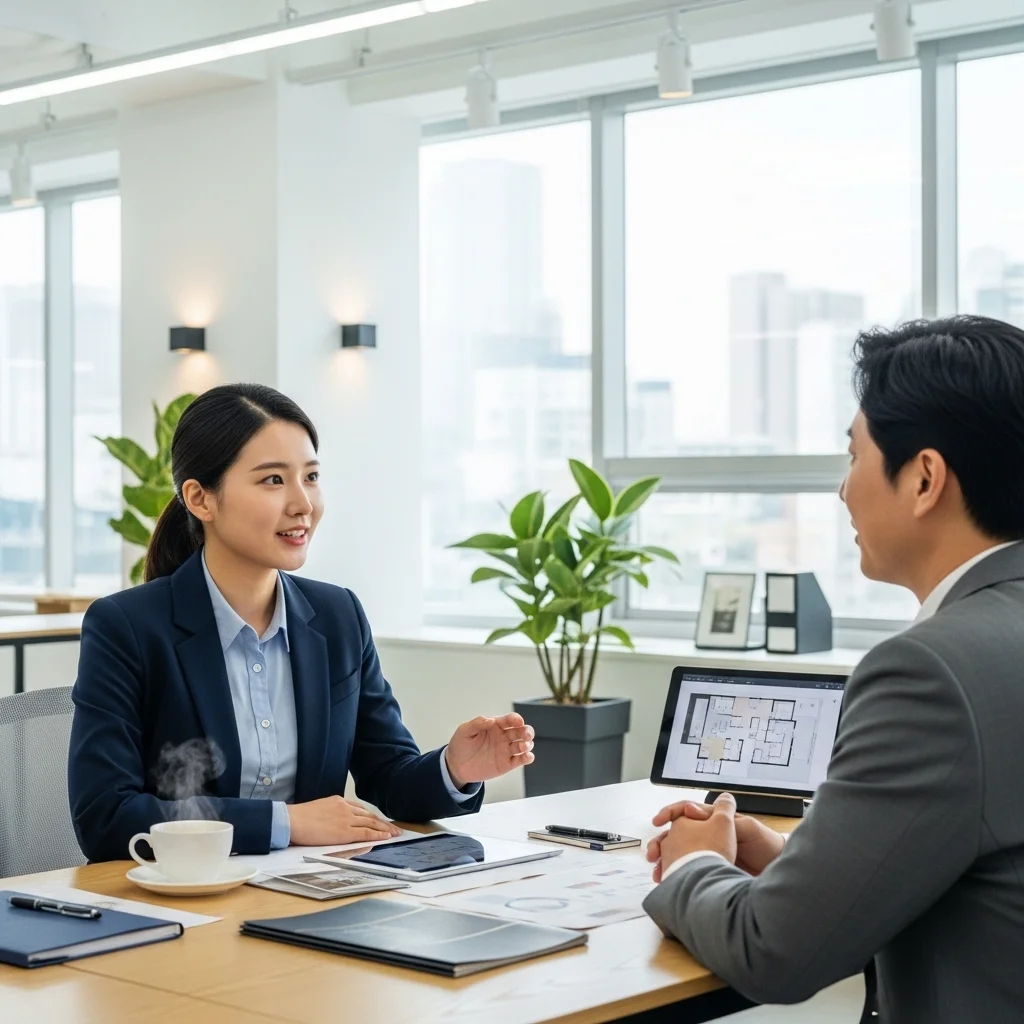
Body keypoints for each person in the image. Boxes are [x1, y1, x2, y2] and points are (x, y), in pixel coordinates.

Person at [642, 315, 1024, 1023]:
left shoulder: (931, 672)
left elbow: (775, 952)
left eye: (854, 457)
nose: (844, 491)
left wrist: (696, 862)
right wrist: (795, 859)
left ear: (925, 478)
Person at [69, 383, 535, 862]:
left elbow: (389, 778)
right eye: (273, 480)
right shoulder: (125, 627)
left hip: (311, 893)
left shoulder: (338, 618)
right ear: (200, 499)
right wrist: (286, 823)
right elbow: (107, 816)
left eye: (311, 477)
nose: (303, 504)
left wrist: (455, 769)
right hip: (185, 900)